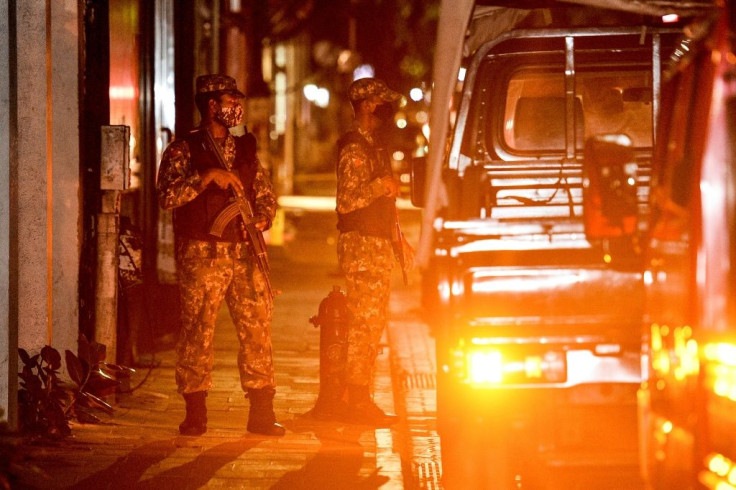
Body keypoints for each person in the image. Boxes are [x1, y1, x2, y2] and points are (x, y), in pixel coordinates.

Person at [156, 74, 284, 437]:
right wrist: (206, 178)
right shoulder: (184, 149)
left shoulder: (245, 149)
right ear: (211, 104)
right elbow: (167, 197)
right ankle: (195, 412)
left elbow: (265, 194)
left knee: (257, 330)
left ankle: (261, 411)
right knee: (198, 332)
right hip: (202, 253)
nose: (236, 107)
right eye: (231, 99)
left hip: (244, 252)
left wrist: (262, 217)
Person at [334, 77, 415, 426]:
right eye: (381, 102)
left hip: (377, 246)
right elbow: (346, 202)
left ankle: (360, 396)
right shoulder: (354, 149)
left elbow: (384, 207)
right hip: (362, 248)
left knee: (373, 324)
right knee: (363, 326)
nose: (386, 109)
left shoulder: (371, 147)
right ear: (367, 106)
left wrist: (399, 240)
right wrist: (378, 186)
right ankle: (357, 400)